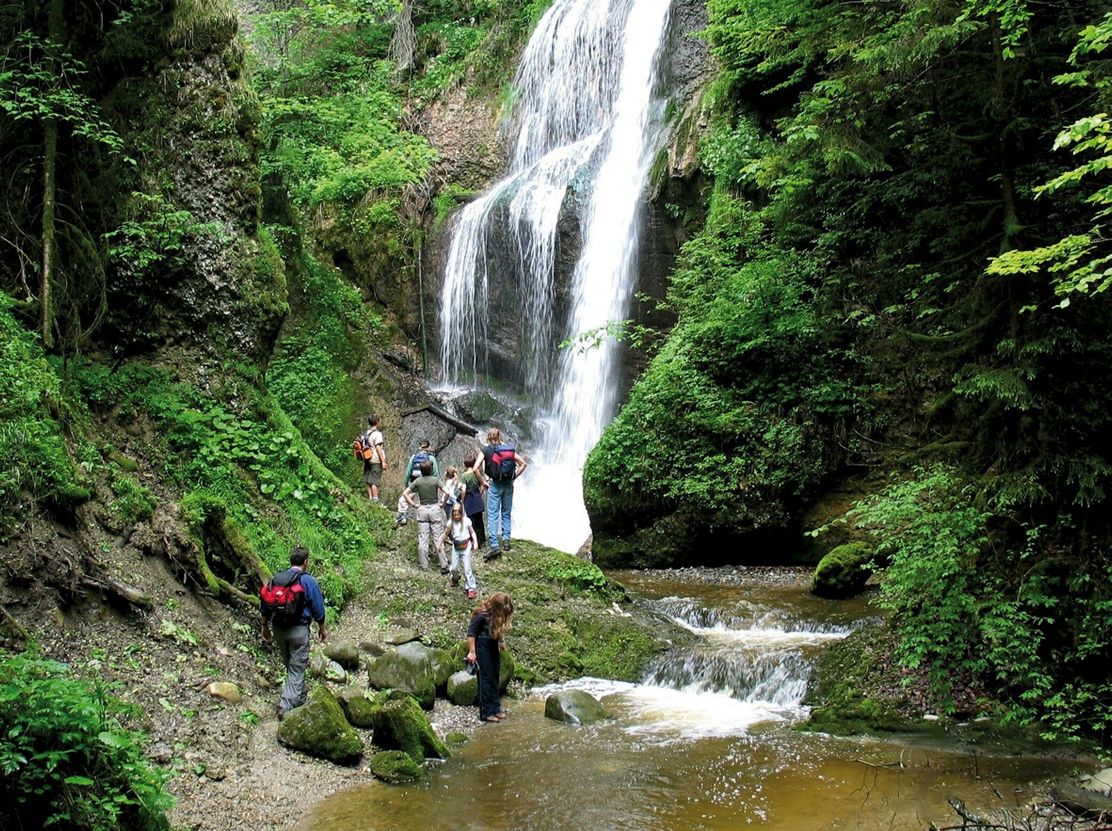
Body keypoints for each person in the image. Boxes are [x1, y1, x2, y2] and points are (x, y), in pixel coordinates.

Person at [260, 547, 327, 719]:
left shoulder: (277, 578)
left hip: (278, 629)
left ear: (291, 561)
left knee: (291, 665)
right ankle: (286, 706)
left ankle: (300, 695)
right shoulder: (307, 581)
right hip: (298, 631)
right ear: (305, 562)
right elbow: (317, 607)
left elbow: (266, 603)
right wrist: (322, 627)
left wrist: (264, 626)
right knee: (297, 668)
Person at [478, 428, 527, 560]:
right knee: (506, 512)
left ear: (488, 437)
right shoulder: (508, 450)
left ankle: (494, 544)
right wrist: (514, 477)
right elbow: (523, 463)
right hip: (508, 485)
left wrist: (483, 481)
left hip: (494, 485)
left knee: (493, 514)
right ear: (499, 437)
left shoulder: (486, 450)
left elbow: (476, 468)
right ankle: (506, 540)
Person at [466, 592, 514, 723]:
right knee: (485, 679)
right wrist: (472, 652)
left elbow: (497, 629)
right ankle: (486, 712)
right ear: (496, 607)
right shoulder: (481, 615)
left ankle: (496, 708)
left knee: (494, 676)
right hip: (482, 645)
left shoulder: (496, 615)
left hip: (492, 645)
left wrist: (501, 641)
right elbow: (471, 634)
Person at [403, 459, 451, 572]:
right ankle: (444, 564)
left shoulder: (418, 481)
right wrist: (443, 504)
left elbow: (405, 493)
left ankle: (424, 565)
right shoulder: (436, 480)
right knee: (438, 537)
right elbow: (447, 492)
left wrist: (414, 504)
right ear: (431, 469)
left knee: (423, 538)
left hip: (422, 509)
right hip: (434, 508)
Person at [396, 439, 440, 526]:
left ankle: (403, 516)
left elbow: (408, 471)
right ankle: (430, 520)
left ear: (419, 447)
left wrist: (406, 484)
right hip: (427, 484)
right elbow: (436, 473)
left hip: (414, 482)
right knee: (428, 502)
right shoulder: (431, 458)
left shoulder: (413, 457)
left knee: (403, 500)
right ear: (428, 447)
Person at [439, 502, 479, 599]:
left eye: (458, 514)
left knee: (467, 568)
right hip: (456, 546)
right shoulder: (450, 523)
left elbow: (472, 532)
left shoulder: (467, 521)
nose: (456, 516)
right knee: (453, 568)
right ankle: (455, 578)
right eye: (455, 515)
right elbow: (445, 534)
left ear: (461, 513)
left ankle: (471, 588)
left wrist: (475, 542)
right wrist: (439, 543)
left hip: (466, 546)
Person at [460, 452, 487, 549]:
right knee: (479, 521)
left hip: (469, 501)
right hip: (477, 499)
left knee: (471, 522)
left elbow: (463, 489)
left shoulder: (464, 476)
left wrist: (462, 501)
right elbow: (483, 485)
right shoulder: (477, 473)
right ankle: (482, 540)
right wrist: (479, 494)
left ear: (465, 464)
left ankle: (473, 541)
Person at [359, 416, 387, 503]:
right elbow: (378, 447)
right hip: (375, 460)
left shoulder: (365, 433)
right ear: (377, 422)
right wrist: (383, 461)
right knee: (375, 481)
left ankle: (370, 499)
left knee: (368, 480)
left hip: (367, 459)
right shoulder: (377, 434)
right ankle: (375, 501)